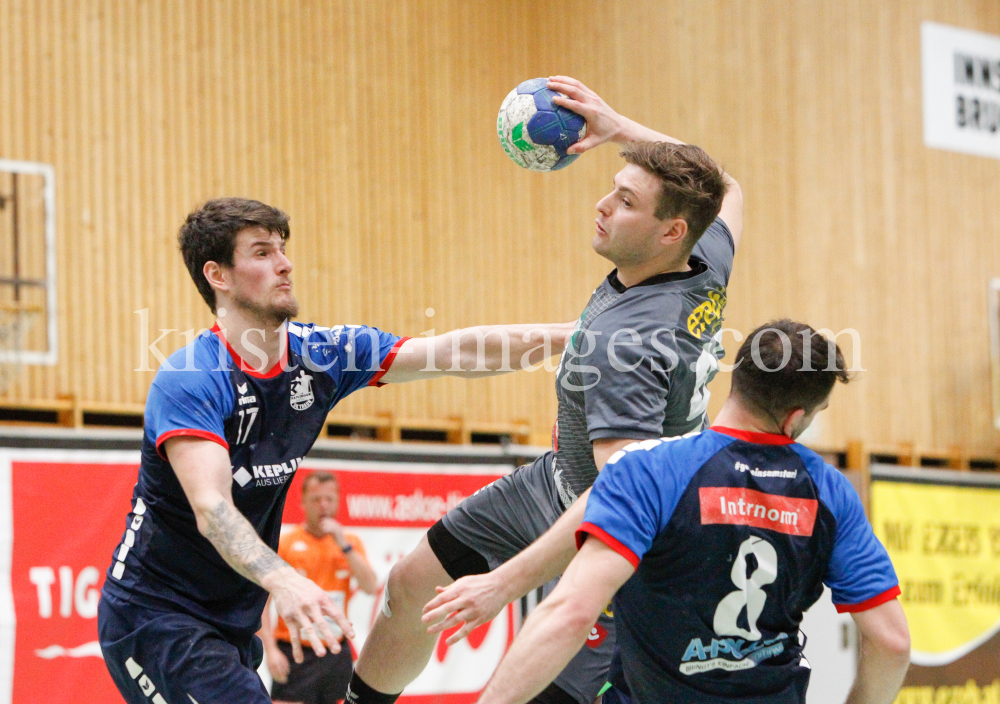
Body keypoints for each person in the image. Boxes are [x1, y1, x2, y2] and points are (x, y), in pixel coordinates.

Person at [349, 75, 745, 704]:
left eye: (626, 202)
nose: (603, 206)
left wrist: (504, 583)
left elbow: (622, 494)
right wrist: (618, 129)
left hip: (622, 529)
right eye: (612, 189)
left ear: (671, 231)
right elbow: (725, 186)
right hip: (558, 478)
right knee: (412, 584)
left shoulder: (627, 346)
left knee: (542, 690)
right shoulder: (705, 255)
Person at [97, 197, 573, 704]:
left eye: (283, 248)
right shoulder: (191, 377)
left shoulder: (322, 355)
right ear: (218, 275)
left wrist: (577, 333)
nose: (285, 263)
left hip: (229, 621)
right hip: (154, 616)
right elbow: (212, 509)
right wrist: (285, 580)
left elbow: (456, 351)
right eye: (261, 252)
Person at [474, 320, 911, 704]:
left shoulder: (652, 468)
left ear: (737, 379)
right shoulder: (829, 492)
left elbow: (570, 612)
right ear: (795, 417)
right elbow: (891, 643)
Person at [260, 471, 376, 704]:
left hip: (335, 651)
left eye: (329, 499)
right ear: (303, 502)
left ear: (337, 501)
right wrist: (270, 650)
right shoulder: (286, 544)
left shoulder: (349, 543)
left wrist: (343, 544)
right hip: (295, 651)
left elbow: (371, 586)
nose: (323, 505)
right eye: (316, 499)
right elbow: (262, 603)